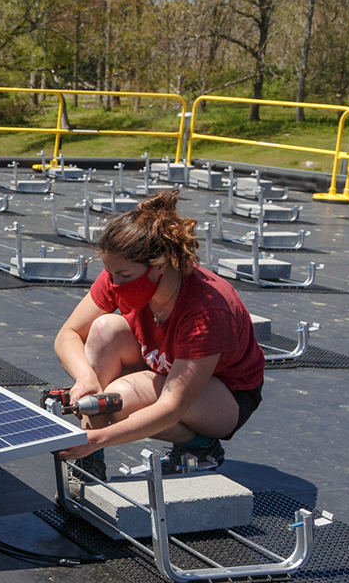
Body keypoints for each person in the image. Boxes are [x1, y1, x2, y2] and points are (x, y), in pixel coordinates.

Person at [52, 191, 265, 480]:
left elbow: (172, 406)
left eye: (124, 276)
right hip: (164, 368)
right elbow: (68, 334)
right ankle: (90, 464)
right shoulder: (119, 273)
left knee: (118, 401)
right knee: (104, 329)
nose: (114, 284)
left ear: (160, 266)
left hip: (224, 396)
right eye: (110, 274)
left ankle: (201, 445)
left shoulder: (207, 310)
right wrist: (85, 378)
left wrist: (99, 437)